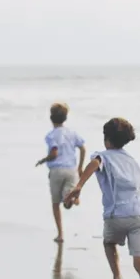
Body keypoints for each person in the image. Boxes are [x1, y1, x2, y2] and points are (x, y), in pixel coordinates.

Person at [64, 117, 140, 279]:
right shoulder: (133, 161)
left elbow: (94, 164)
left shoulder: (102, 155)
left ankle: (116, 277)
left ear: (106, 139)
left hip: (117, 215)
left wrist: (79, 185)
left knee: (109, 243)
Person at [34, 102, 87, 243]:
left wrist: (43, 160)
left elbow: (54, 153)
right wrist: (80, 167)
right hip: (71, 170)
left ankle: (60, 234)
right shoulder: (72, 133)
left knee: (55, 203)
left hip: (56, 170)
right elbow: (82, 148)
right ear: (65, 118)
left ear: (51, 118)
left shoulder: (51, 135)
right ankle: (72, 198)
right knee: (67, 195)